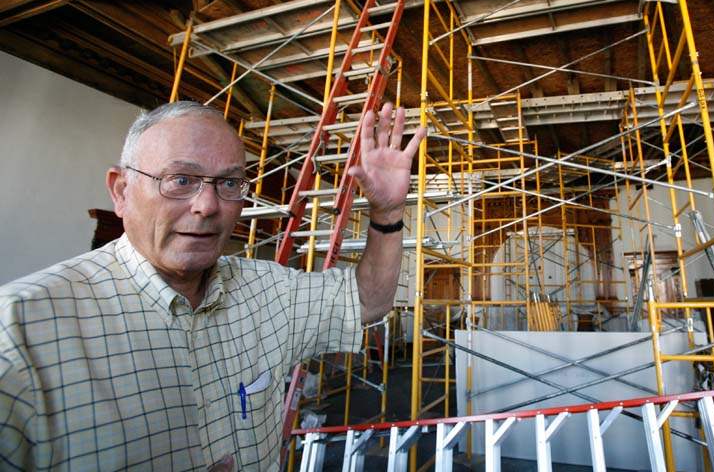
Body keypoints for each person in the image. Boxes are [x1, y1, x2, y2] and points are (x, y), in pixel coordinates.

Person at [0, 100, 425, 471]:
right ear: (122, 191)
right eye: (181, 180)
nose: (207, 207)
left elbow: (368, 300)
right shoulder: (19, 331)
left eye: (228, 184)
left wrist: (387, 211)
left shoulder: (268, 291)